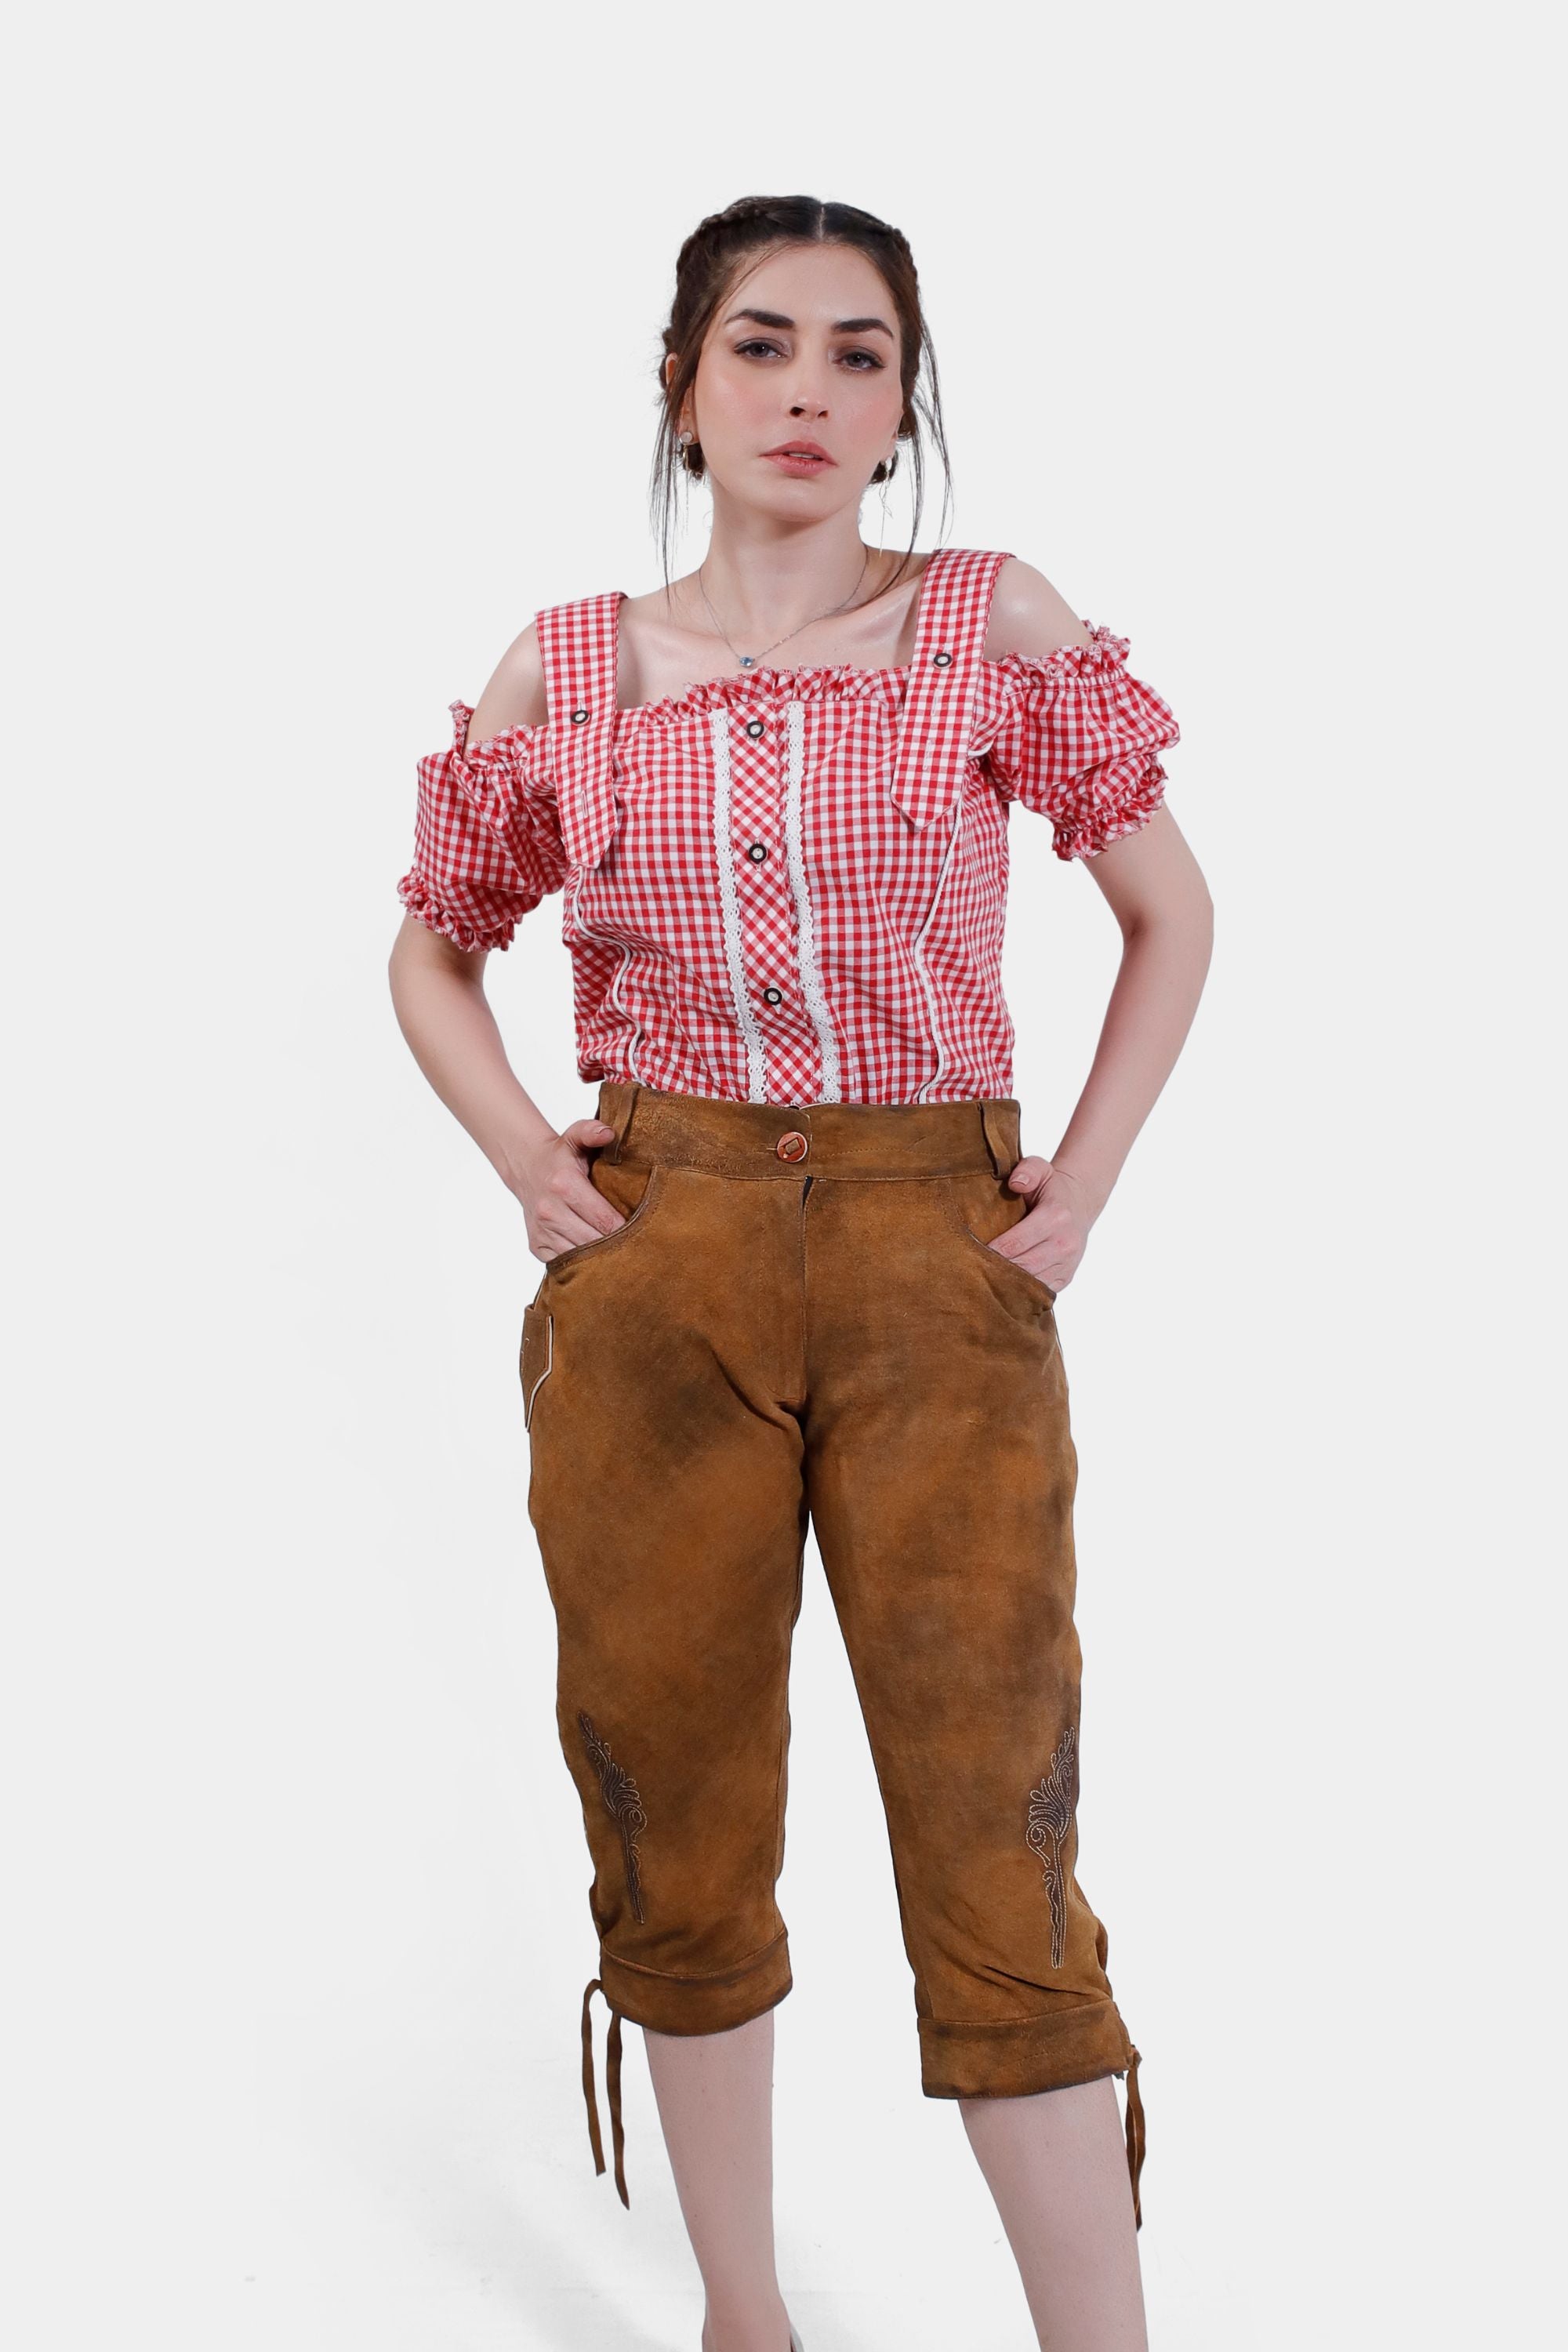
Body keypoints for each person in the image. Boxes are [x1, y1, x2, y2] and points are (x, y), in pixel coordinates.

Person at [387, 194, 1214, 2352]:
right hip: (658, 1268)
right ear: (684, 381)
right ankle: (744, 2319)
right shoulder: (563, 668)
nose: (809, 393)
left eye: (862, 356)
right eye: (763, 345)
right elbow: (435, 946)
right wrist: (527, 1166)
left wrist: (1079, 1193)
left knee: (993, 1814)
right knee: (671, 1791)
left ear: (904, 405)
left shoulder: (985, 628)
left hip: (938, 1261)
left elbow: (1171, 913)